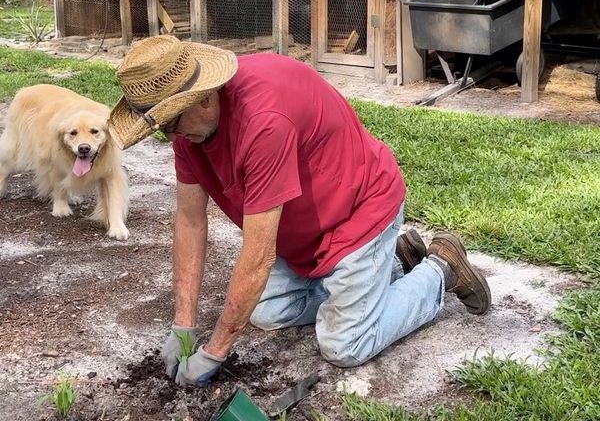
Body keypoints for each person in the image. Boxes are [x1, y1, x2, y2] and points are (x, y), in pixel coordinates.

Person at [109, 35, 491, 387]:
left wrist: (216, 350)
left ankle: (440, 269)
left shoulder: (262, 122)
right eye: (161, 126)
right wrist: (184, 325)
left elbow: (258, 256)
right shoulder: (188, 133)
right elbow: (190, 221)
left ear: (204, 98)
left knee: (345, 344)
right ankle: (389, 268)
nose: (169, 136)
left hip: (358, 213)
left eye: (171, 122)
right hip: (304, 233)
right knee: (265, 311)